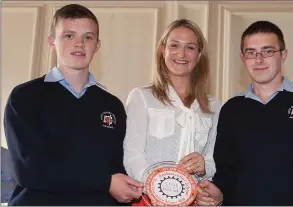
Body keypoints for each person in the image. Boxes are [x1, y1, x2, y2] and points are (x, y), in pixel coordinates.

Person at [3, 4, 143, 205]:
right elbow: (29, 170)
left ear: (97, 45)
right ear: (52, 42)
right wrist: (104, 182)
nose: (79, 44)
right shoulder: (25, 96)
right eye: (69, 36)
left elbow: (118, 171)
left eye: (88, 37)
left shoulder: (113, 106)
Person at [196, 20, 293, 205]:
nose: (259, 59)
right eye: (251, 52)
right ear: (243, 58)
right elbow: (226, 170)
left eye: (268, 51)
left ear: (283, 55)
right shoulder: (231, 109)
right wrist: (216, 192)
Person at [123, 18, 221, 205]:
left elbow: (213, 161)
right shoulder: (141, 97)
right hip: (148, 200)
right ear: (162, 50)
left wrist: (204, 166)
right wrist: (160, 190)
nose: (181, 54)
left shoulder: (214, 106)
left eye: (190, 47)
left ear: (199, 55)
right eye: (174, 45)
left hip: (195, 202)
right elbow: (133, 155)